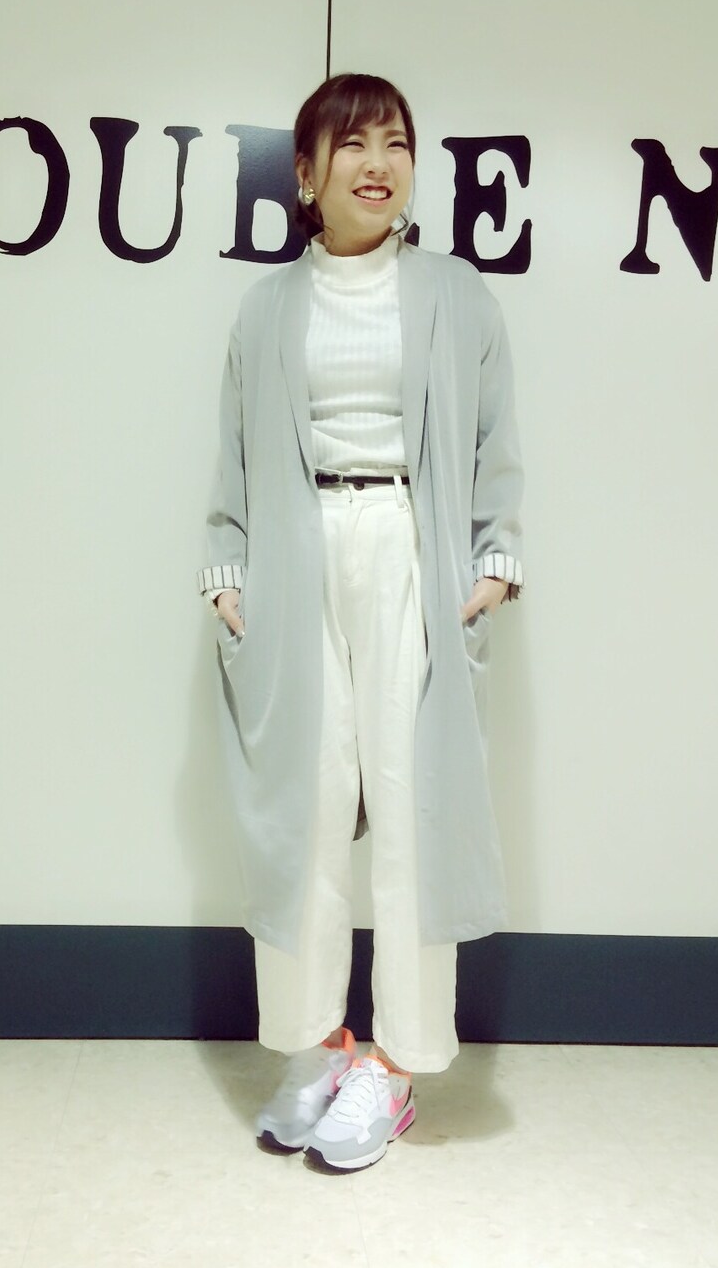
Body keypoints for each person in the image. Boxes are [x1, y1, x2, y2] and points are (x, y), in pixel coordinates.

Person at [197, 73, 525, 1172]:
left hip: (408, 550)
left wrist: (493, 562)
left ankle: (397, 1063)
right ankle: (316, 1046)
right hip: (295, 557)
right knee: (308, 802)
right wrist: (227, 574)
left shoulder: (456, 295)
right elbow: (235, 458)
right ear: (306, 175)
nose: (377, 164)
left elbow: (494, 441)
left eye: (395, 143)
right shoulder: (266, 309)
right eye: (352, 146)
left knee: (411, 802)